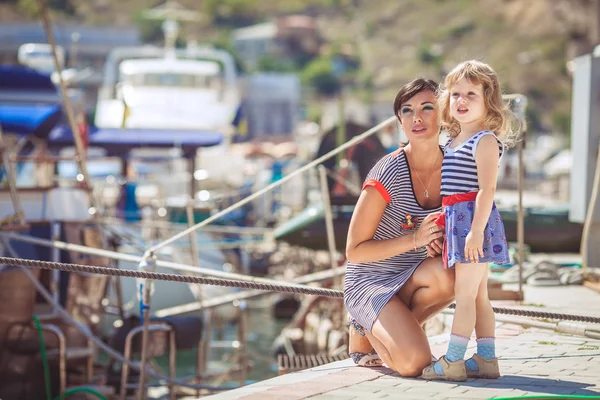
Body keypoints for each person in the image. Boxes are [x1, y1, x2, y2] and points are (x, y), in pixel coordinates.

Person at [344, 78, 455, 376]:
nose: (416, 118)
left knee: (455, 276)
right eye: (407, 111)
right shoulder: (388, 171)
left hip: (410, 275)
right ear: (399, 122)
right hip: (370, 279)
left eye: (427, 108)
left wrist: (439, 242)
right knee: (413, 363)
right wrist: (416, 239)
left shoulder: (454, 167)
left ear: (444, 114)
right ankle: (365, 323)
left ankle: (372, 330)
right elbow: (354, 251)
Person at [421, 60, 519, 381]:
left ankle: (452, 361)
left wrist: (475, 233)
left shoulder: (485, 140)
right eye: (456, 94)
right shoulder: (451, 142)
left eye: (471, 95)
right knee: (478, 295)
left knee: (464, 295)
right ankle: (487, 360)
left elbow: (486, 190)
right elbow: (449, 191)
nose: (461, 101)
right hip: (457, 222)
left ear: (488, 99)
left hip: (474, 224)